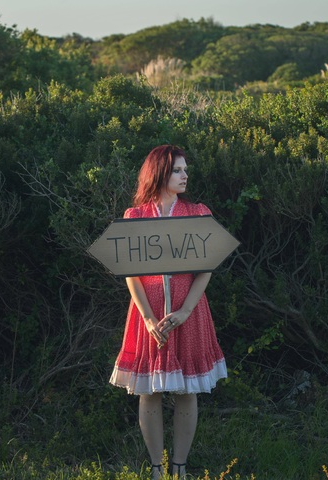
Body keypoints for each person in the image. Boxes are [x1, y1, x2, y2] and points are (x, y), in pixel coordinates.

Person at [109, 145, 228, 479]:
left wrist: (186, 310)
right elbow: (131, 272)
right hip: (147, 319)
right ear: (159, 173)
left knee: (187, 391)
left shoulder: (197, 211)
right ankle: (157, 469)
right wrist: (148, 318)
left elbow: (206, 266)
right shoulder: (136, 217)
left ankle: (180, 467)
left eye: (185, 170)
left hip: (188, 315)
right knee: (149, 392)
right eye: (177, 170)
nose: (185, 175)